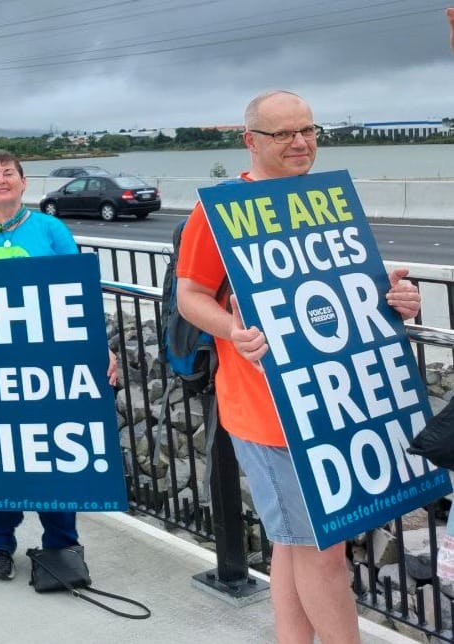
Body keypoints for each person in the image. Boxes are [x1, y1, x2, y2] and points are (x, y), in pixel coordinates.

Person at [176, 90, 420, 643]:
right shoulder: (218, 209)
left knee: (293, 542)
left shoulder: (324, 199)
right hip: (266, 413)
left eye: (308, 130)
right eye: (283, 133)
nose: (300, 142)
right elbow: (189, 295)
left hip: (327, 403)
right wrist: (233, 332)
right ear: (251, 140)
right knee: (323, 552)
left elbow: (341, 293)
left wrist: (392, 298)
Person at [0, 150, 117, 582]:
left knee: (54, 450)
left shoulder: (50, 229)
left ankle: (62, 542)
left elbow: (79, 290)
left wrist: (101, 347)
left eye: (8, 173)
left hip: (46, 364)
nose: (0, 180)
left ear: (23, 182)